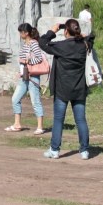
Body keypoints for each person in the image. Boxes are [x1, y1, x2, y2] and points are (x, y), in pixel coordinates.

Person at [38, 19, 93, 160]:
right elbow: (92, 38)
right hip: (79, 88)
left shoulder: (61, 46)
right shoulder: (84, 45)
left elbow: (42, 43)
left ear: (65, 31)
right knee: (81, 120)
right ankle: (84, 151)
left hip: (62, 89)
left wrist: (52, 31)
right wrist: (84, 36)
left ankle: (54, 150)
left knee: (58, 120)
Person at [6, 23, 45, 134]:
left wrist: (27, 62)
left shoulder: (33, 43)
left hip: (33, 76)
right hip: (24, 76)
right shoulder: (25, 44)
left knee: (35, 101)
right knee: (15, 99)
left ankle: (40, 126)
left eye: (21, 32)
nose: (19, 34)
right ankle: (17, 124)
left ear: (26, 33)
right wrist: (21, 71)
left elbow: (39, 58)